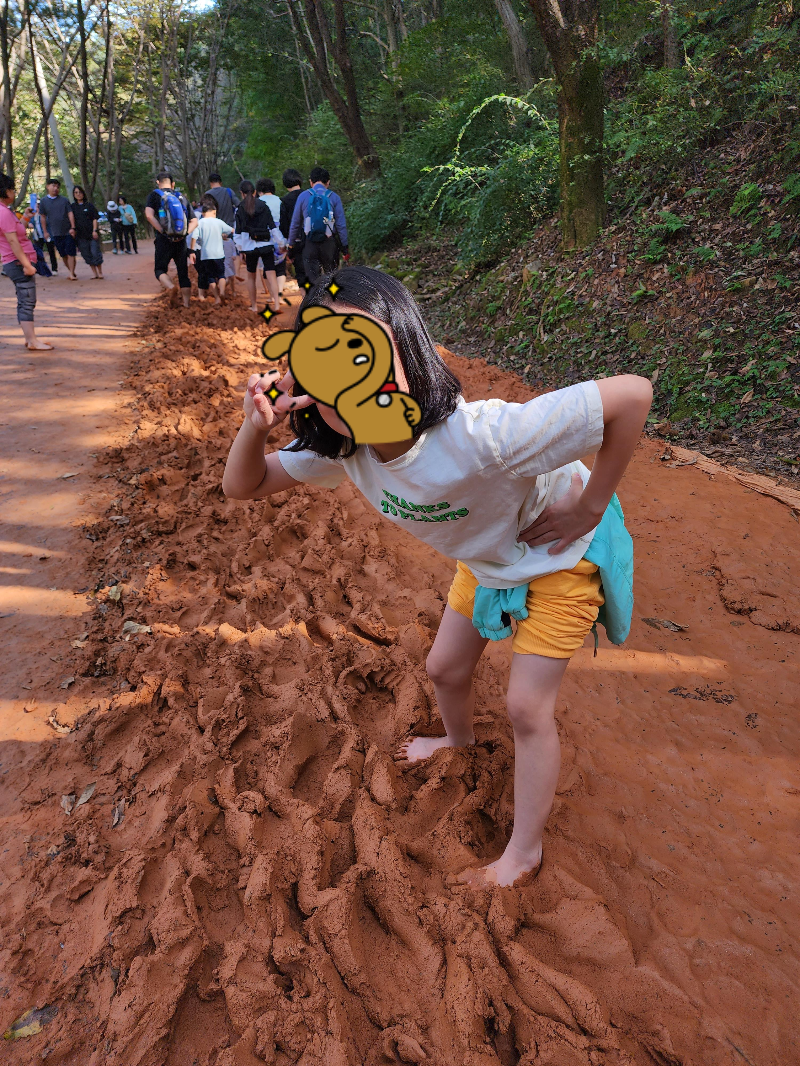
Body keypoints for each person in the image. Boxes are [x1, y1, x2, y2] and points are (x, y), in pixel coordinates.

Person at [222, 267, 651, 888]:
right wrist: (254, 427)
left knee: (527, 707)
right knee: (444, 669)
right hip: (487, 560)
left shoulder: (486, 437)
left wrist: (588, 506)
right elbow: (243, 485)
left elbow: (632, 396)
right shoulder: (342, 452)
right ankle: (458, 739)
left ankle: (521, 856)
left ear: (409, 357)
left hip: (562, 556)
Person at [1, 173, 54, 350]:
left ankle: (29, 338)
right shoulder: (3, 212)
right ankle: (32, 340)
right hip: (17, 263)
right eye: (12, 189)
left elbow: (18, 233)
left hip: (15, 261)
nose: (14, 193)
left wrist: (25, 218)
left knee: (25, 300)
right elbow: (13, 241)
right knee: (27, 300)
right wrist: (26, 265)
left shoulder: (5, 211)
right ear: (5, 191)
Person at [144, 170, 197, 307]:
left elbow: (149, 215)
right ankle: (186, 304)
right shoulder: (181, 197)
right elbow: (195, 221)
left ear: (158, 182)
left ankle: (170, 286)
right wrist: (184, 234)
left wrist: (162, 231)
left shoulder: (154, 196)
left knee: (160, 270)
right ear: (173, 184)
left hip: (164, 240)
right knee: (183, 273)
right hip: (180, 241)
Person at [287, 166, 348, 283]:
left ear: (311, 182)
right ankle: (332, 300)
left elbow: (295, 224)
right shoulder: (334, 197)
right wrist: (344, 247)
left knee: (313, 280)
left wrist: (291, 246)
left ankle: (315, 300)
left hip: (309, 244)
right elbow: (341, 225)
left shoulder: (303, 196)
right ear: (328, 182)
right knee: (332, 279)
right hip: (329, 244)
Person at [234, 179, 280, 316]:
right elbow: (272, 227)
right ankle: (277, 303)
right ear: (254, 192)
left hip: (249, 247)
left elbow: (238, 233)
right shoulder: (263, 206)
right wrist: (281, 243)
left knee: (251, 277)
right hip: (266, 244)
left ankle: (254, 306)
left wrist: (240, 249)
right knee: (271, 274)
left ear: (242, 193)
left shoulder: (240, 208)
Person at [191, 195, 233, 305]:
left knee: (211, 278)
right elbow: (231, 230)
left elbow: (194, 237)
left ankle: (217, 298)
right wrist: (224, 235)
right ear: (214, 212)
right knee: (221, 275)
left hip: (205, 255)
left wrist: (191, 250)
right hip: (219, 254)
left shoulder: (199, 223)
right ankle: (223, 291)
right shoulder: (218, 222)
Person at [204, 172, 240, 296]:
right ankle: (231, 289)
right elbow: (239, 205)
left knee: (215, 261)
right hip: (228, 231)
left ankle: (218, 288)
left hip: (213, 233)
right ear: (221, 182)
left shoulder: (207, 195)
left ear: (210, 183)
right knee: (228, 261)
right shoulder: (229, 192)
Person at [256, 178, 290, 305]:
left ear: (259, 190)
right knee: (280, 268)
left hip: (263, 238)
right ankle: (279, 294)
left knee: (267, 267)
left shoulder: (258, 202)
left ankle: (272, 296)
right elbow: (285, 220)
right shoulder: (280, 200)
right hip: (280, 236)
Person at [39, 179, 77, 279]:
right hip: (55, 232)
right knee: (63, 254)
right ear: (48, 186)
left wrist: (73, 227)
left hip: (68, 231)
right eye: (53, 186)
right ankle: (71, 271)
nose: (55, 188)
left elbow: (70, 213)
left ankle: (72, 273)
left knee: (71, 252)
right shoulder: (43, 201)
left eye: (57, 187)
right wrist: (45, 231)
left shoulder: (64, 200)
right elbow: (42, 216)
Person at [281, 168, 307, 290]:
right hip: (315, 240)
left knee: (301, 275)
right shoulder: (310, 195)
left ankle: (307, 302)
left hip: (297, 242)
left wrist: (288, 247)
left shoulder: (285, 201)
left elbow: (284, 226)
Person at [71, 185, 104, 279]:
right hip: (80, 236)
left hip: (91, 234)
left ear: (83, 193)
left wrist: (94, 230)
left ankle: (100, 272)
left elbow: (95, 218)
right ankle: (95, 273)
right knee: (86, 254)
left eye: (80, 192)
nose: (78, 194)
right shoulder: (72, 207)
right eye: (76, 193)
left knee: (95, 252)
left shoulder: (89, 205)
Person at [31, 204, 58, 273]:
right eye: (37, 207)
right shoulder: (33, 216)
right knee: (38, 253)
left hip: (47, 236)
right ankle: (42, 269)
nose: (38, 209)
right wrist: (30, 224)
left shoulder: (46, 215)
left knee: (51, 252)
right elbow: (30, 223)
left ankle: (54, 269)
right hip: (37, 237)